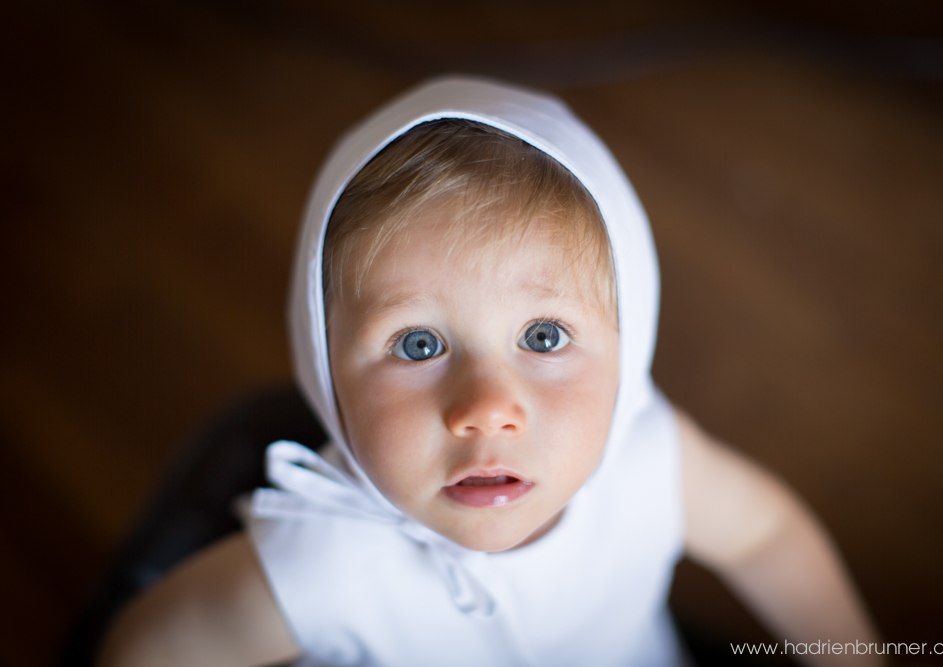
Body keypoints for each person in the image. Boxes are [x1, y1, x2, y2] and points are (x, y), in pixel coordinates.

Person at [98, 77, 883, 667]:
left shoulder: (651, 463)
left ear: (629, 339)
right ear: (325, 371)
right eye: (416, 344)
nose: (486, 408)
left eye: (543, 335)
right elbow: (145, 646)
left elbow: (768, 535)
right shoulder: (326, 564)